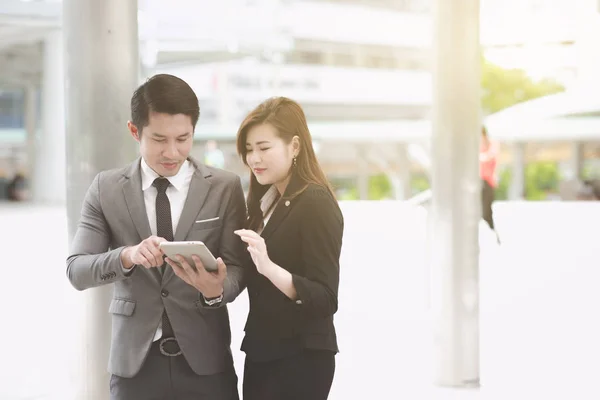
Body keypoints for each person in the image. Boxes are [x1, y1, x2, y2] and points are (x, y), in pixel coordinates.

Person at [66, 74, 247, 400]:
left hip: (206, 365)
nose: (172, 152)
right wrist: (127, 256)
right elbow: (77, 271)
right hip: (135, 367)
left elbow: (237, 269)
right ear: (135, 131)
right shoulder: (105, 189)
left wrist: (215, 290)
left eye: (183, 138)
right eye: (159, 139)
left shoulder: (225, 187)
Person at [233, 97, 344, 399]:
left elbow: (325, 297)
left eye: (264, 148)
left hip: (301, 358)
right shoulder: (264, 204)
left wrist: (269, 268)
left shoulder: (315, 201)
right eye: (249, 149)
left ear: (294, 146)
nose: (254, 158)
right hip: (262, 351)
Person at [480, 126, 500, 243]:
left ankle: (495, 237)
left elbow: (490, 156)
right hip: (478, 183)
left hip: (487, 183)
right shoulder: (476, 146)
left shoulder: (491, 144)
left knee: (487, 214)